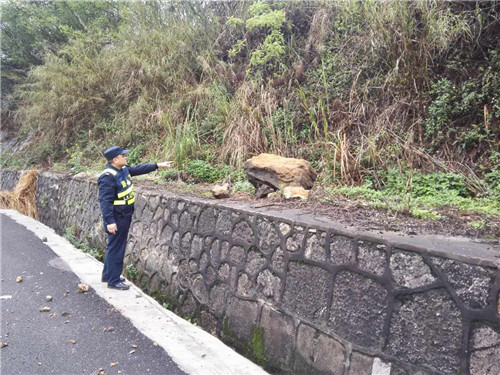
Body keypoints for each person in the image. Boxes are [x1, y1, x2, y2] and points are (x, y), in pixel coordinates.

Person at [98, 146, 171, 290]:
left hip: (125, 215)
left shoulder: (123, 170)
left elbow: (138, 169)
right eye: (123, 155)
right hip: (117, 217)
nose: (125, 157)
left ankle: (107, 274)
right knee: (117, 248)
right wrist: (110, 222)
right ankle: (113, 280)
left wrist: (157, 166)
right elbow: (105, 201)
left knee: (113, 245)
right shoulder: (108, 176)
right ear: (115, 159)